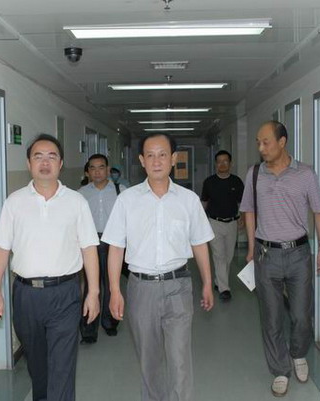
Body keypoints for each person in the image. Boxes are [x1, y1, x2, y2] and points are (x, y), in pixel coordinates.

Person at [0, 134, 100, 401]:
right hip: (26, 294)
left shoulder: (76, 202)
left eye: (52, 157)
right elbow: (1, 247)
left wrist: (93, 293)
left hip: (65, 293)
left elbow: (88, 249)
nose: (45, 163)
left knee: (62, 365)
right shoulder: (14, 202)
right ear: (29, 164)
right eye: (38, 157)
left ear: (61, 163)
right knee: (38, 366)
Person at [103, 133, 215, 401]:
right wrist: (115, 291)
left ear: (173, 159)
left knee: (180, 359)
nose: (156, 161)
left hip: (179, 286)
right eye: (150, 155)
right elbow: (116, 247)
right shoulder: (127, 200)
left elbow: (200, 243)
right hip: (141, 288)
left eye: (162, 155)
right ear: (142, 160)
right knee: (149, 360)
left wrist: (208, 283)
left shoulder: (188, 200)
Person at [240, 121, 320, 397]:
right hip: (266, 254)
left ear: (282, 142)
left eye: (266, 142)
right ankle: (280, 369)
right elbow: (249, 210)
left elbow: (319, 211)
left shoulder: (305, 174)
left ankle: (298, 353)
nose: (261, 147)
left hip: (298, 254)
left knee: (302, 315)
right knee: (272, 317)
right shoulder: (254, 174)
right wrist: (251, 246)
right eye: (258, 142)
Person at [78, 153, 126, 344]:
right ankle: (88, 330)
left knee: (112, 284)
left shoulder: (120, 191)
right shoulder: (81, 194)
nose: (97, 172)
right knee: (91, 286)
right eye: (93, 168)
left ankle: (110, 323)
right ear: (88, 172)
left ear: (107, 169)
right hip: (90, 243)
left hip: (113, 242)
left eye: (101, 167)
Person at [200, 150, 245, 301]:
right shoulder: (209, 182)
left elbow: (243, 203)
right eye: (219, 161)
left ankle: (218, 281)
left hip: (232, 223)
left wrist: (243, 218)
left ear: (230, 164)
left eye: (225, 161)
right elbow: (204, 203)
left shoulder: (236, 182)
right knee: (219, 256)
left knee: (228, 256)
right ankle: (224, 289)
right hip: (214, 223)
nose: (222, 164)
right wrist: (200, 222)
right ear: (216, 164)